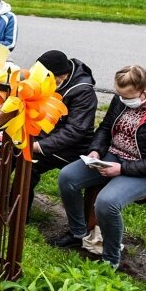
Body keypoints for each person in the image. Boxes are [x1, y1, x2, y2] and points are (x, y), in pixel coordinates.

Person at [54, 65, 146, 268]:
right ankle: (78, 233)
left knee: (107, 202)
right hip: (114, 155)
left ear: (145, 92)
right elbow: (106, 127)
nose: (122, 99)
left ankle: (110, 259)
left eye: (127, 96)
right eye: (119, 94)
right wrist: (96, 150)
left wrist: (122, 169)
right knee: (68, 177)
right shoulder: (122, 99)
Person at [25, 50, 98, 219]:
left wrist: (40, 146)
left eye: (49, 79)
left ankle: (21, 215)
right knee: (8, 153)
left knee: (29, 164)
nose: (44, 82)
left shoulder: (83, 92)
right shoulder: (54, 78)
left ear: (63, 75)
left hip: (72, 148)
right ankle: (3, 200)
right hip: (48, 137)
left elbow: (75, 131)